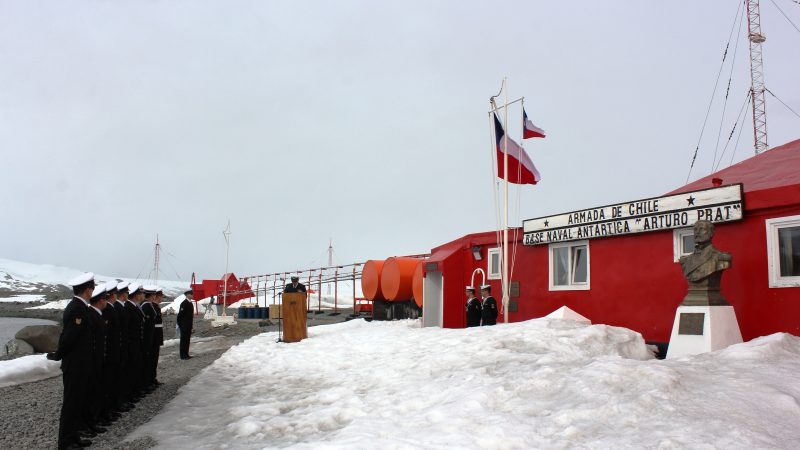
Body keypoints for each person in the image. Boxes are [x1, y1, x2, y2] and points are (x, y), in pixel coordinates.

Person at [48, 272, 95, 449]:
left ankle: (73, 436)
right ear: (87, 290)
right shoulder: (77, 308)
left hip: (81, 363)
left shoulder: (80, 307)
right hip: (75, 364)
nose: (92, 292)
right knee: (71, 403)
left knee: (78, 402)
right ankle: (65, 441)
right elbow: (69, 337)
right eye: (92, 288)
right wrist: (58, 354)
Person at [124, 283, 145, 401]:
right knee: (131, 368)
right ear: (136, 295)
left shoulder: (136, 307)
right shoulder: (128, 308)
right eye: (141, 293)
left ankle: (135, 390)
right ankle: (131, 393)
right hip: (131, 343)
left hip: (137, 342)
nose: (143, 295)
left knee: (136, 367)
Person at [140, 286, 157, 391]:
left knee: (150, 360)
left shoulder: (149, 305)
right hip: (146, 338)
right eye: (154, 295)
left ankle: (149, 381)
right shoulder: (146, 306)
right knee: (147, 361)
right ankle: (146, 382)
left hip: (150, 337)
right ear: (152, 295)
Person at [151, 288, 165, 385]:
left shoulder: (156, 307)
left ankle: (153, 378)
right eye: (161, 296)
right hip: (153, 337)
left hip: (157, 336)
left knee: (155, 359)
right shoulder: (152, 307)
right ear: (156, 296)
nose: (162, 298)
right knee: (152, 359)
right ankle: (151, 379)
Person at [176, 289, 194, 360]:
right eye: (191, 294)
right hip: (184, 325)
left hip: (188, 325)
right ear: (187, 295)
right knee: (183, 340)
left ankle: (186, 354)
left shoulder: (190, 303)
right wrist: (180, 325)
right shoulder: (184, 303)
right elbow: (180, 315)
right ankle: (182, 355)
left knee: (187, 340)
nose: (192, 295)